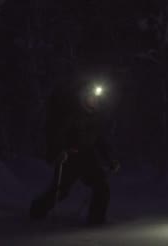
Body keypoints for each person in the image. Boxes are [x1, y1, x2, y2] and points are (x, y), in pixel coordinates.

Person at [30, 78, 119, 225]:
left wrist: (110, 160)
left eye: (97, 99)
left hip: (88, 158)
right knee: (60, 191)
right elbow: (56, 134)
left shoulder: (95, 118)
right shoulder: (71, 114)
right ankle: (37, 210)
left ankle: (96, 221)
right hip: (70, 157)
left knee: (102, 187)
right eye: (91, 98)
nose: (94, 101)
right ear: (84, 98)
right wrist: (58, 152)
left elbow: (99, 141)